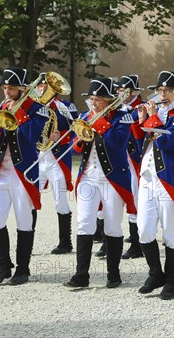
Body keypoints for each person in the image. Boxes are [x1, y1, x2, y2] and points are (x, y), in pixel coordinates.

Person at [64, 77, 136, 289]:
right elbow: (76, 149)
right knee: (84, 222)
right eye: (92, 99)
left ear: (108, 100)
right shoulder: (86, 117)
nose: (93, 104)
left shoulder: (123, 117)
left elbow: (116, 144)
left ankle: (113, 274)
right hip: (88, 176)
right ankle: (81, 275)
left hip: (112, 178)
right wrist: (78, 136)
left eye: (97, 100)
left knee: (113, 226)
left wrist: (98, 123)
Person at [132, 70, 174, 299]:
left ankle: (172, 283)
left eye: (167, 90)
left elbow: (166, 142)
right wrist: (141, 122)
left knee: (172, 234)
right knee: (144, 230)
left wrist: (152, 118)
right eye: (160, 90)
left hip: (171, 180)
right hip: (148, 178)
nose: (162, 94)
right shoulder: (156, 114)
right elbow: (141, 145)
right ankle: (156, 272)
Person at [0, 67, 50, 285]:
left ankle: (22, 269)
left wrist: (18, 114)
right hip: (1, 172)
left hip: (23, 172)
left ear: (23, 88)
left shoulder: (38, 110)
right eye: (4, 88)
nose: (7, 92)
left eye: (11, 88)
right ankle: (3, 266)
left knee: (24, 220)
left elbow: (31, 136)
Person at [35, 72, 79, 254]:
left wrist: (61, 136)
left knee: (60, 201)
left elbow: (77, 129)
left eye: (45, 85)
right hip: (37, 157)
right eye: (40, 86)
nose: (42, 88)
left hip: (57, 158)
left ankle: (65, 242)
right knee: (29, 198)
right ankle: (27, 241)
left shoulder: (65, 106)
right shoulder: (33, 107)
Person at [115, 75, 144, 260]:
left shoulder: (141, 107)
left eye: (124, 89)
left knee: (134, 196)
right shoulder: (118, 108)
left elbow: (142, 133)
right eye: (118, 89)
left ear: (133, 92)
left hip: (135, 158)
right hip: (120, 157)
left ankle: (137, 243)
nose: (120, 92)